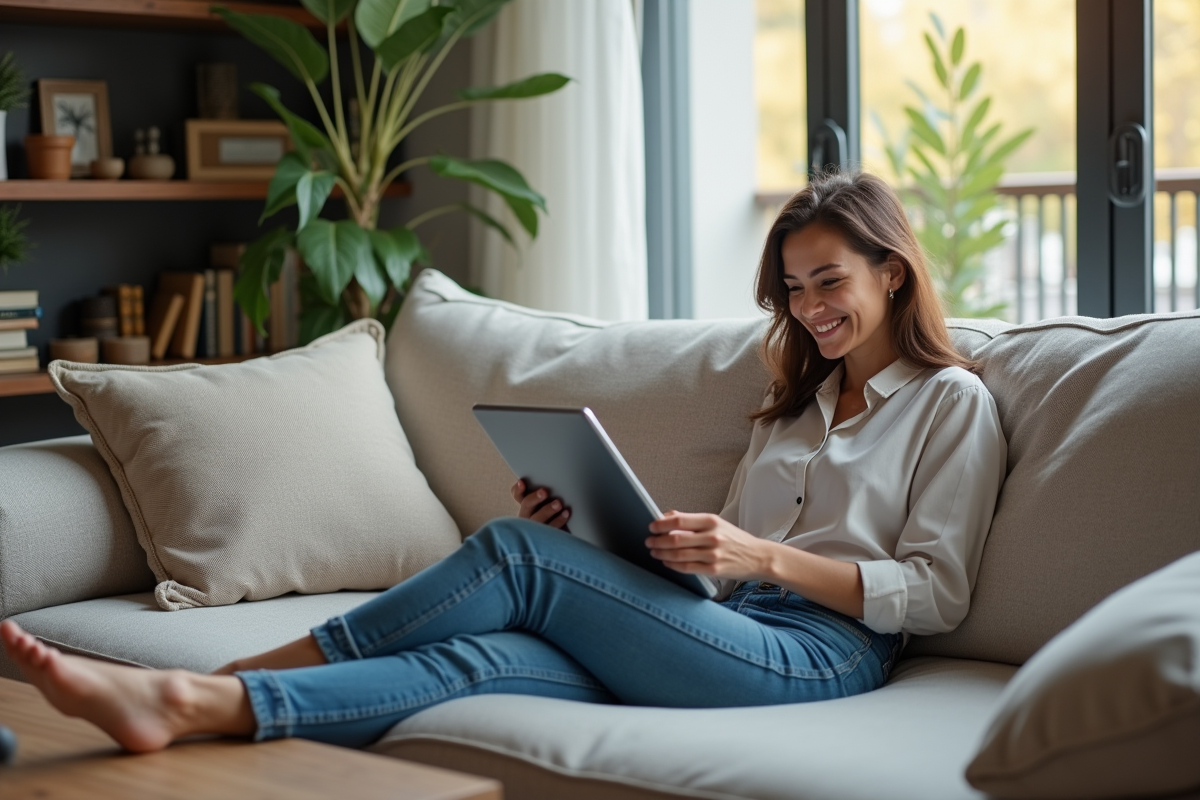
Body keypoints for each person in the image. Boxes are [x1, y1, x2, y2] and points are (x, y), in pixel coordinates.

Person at [0, 170, 1006, 753]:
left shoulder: (950, 402)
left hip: (821, 655)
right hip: (718, 627)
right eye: (790, 287)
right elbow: (710, 567)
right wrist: (611, 532)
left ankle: (214, 679)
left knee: (515, 553)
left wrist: (764, 558)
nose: (808, 305)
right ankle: (194, 709)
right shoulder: (792, 406)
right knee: (473, 663)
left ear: (893, 267)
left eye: (828, 278)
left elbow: (935, 593)